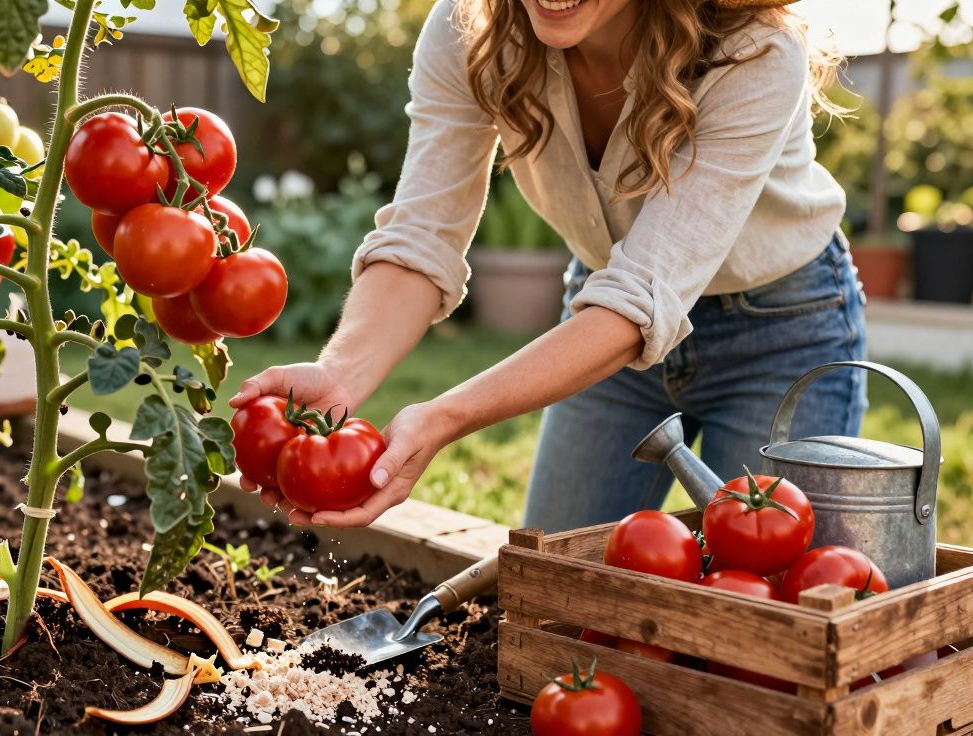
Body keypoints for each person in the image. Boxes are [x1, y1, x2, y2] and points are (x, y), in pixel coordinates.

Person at [230, 0, 866, 531]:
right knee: (554, 602)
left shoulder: (752, 50)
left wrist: (445, 416)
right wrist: (341, 373)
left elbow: (641, 296)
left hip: (780, 335)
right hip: (596, 324)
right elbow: (424, 236)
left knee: (765, 621)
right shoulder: (473, 31)